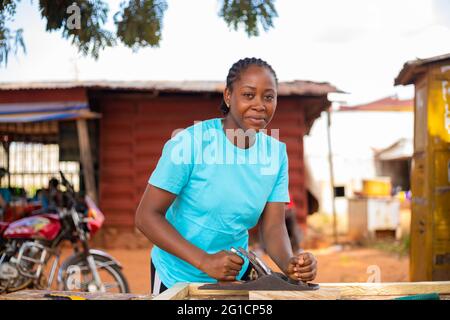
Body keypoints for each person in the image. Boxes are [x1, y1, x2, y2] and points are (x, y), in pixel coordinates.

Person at [135, 58, 318, 295]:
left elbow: (273, 226)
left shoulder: (275, 154)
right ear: (228, 96)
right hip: (177, 277)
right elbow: (146, 216)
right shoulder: (189, 143)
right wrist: (205, 261)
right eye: (249, 95)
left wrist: (290, 264)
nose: (260, 105)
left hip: (233, 279)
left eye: (269, 97)